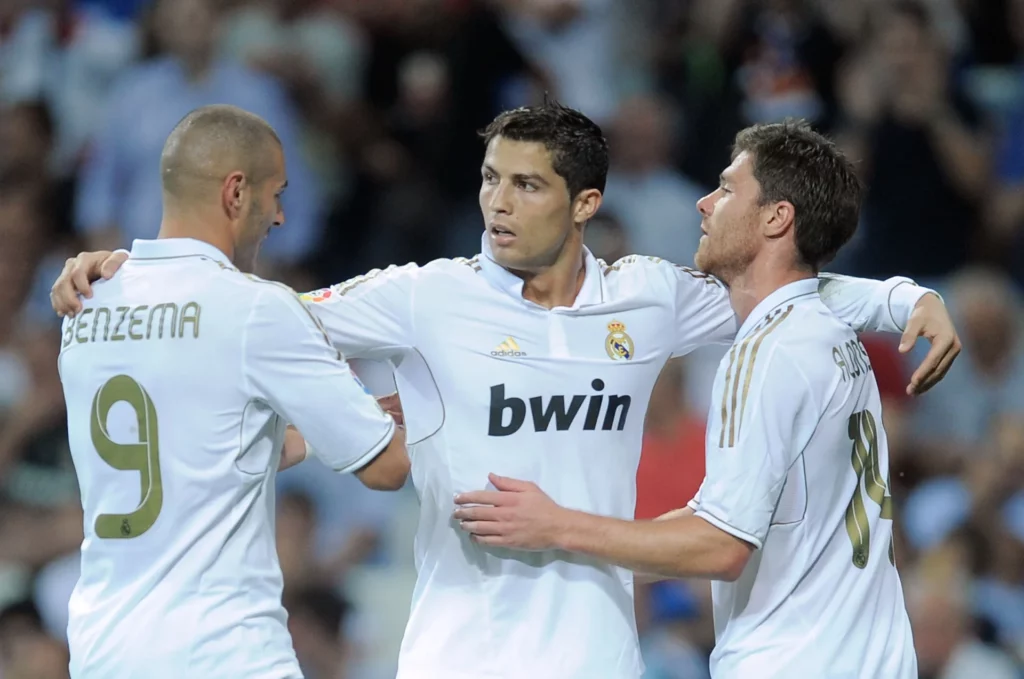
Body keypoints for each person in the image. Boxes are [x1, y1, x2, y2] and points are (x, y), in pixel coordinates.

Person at [51, 103, 960, 679]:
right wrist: (136, 272)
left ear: (586, 204)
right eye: (491, 179)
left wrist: (904, 296)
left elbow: (788, 284)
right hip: (455, 654)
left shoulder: (649, 297)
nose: (499, 202)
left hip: (595, 654)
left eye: (527, 184)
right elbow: (254, 314)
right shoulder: (424, 295)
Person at [452, 121, 931, 678]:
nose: (704, 204)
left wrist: (557, 526)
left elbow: (721, 547)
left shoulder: (766, 353)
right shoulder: (830, 334)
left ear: (778, 218)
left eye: (727, 189)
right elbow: (736, 518)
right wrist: (567, 556)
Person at [56, 105, 408, 679]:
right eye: (277, 193)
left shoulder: (85, 303)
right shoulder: (255, 308)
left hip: (104, 649)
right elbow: (386, 467)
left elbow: (209, 447)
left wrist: (323, 432)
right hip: (222, 651)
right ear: (237, 193)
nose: (282, 216)